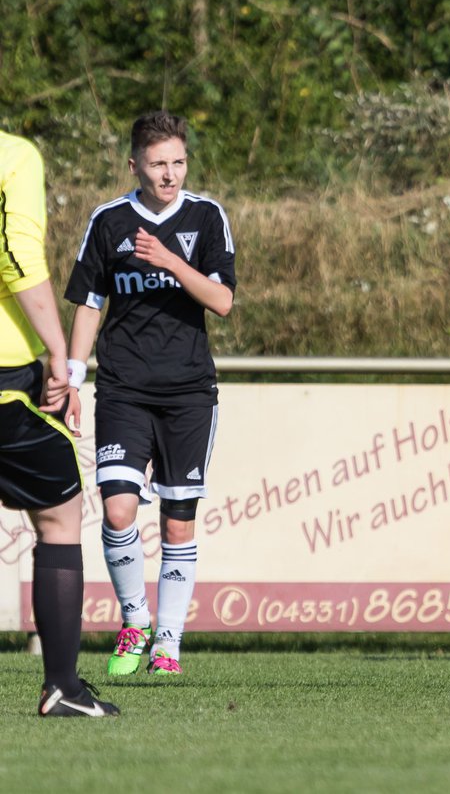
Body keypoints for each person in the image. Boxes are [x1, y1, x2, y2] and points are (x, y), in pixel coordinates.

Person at [63, 111, 236, 676]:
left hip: (188, 392)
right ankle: (135, 619)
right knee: (117, 511)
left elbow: (222, 300)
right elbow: (89, 303)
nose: (170, 175)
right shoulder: (109, 221)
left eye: (178, 162)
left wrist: (167, 260)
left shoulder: (206, 217)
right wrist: (72, 376)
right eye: (158, 164)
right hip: (123, 389)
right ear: (134, 164)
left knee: (178, 522)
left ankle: (169, 643)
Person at [1, 128, 121, 716]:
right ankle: (62, 687)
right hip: (5, 383)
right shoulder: (12, 154)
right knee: (58, 515)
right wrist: (58, 353)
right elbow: (16, 253)